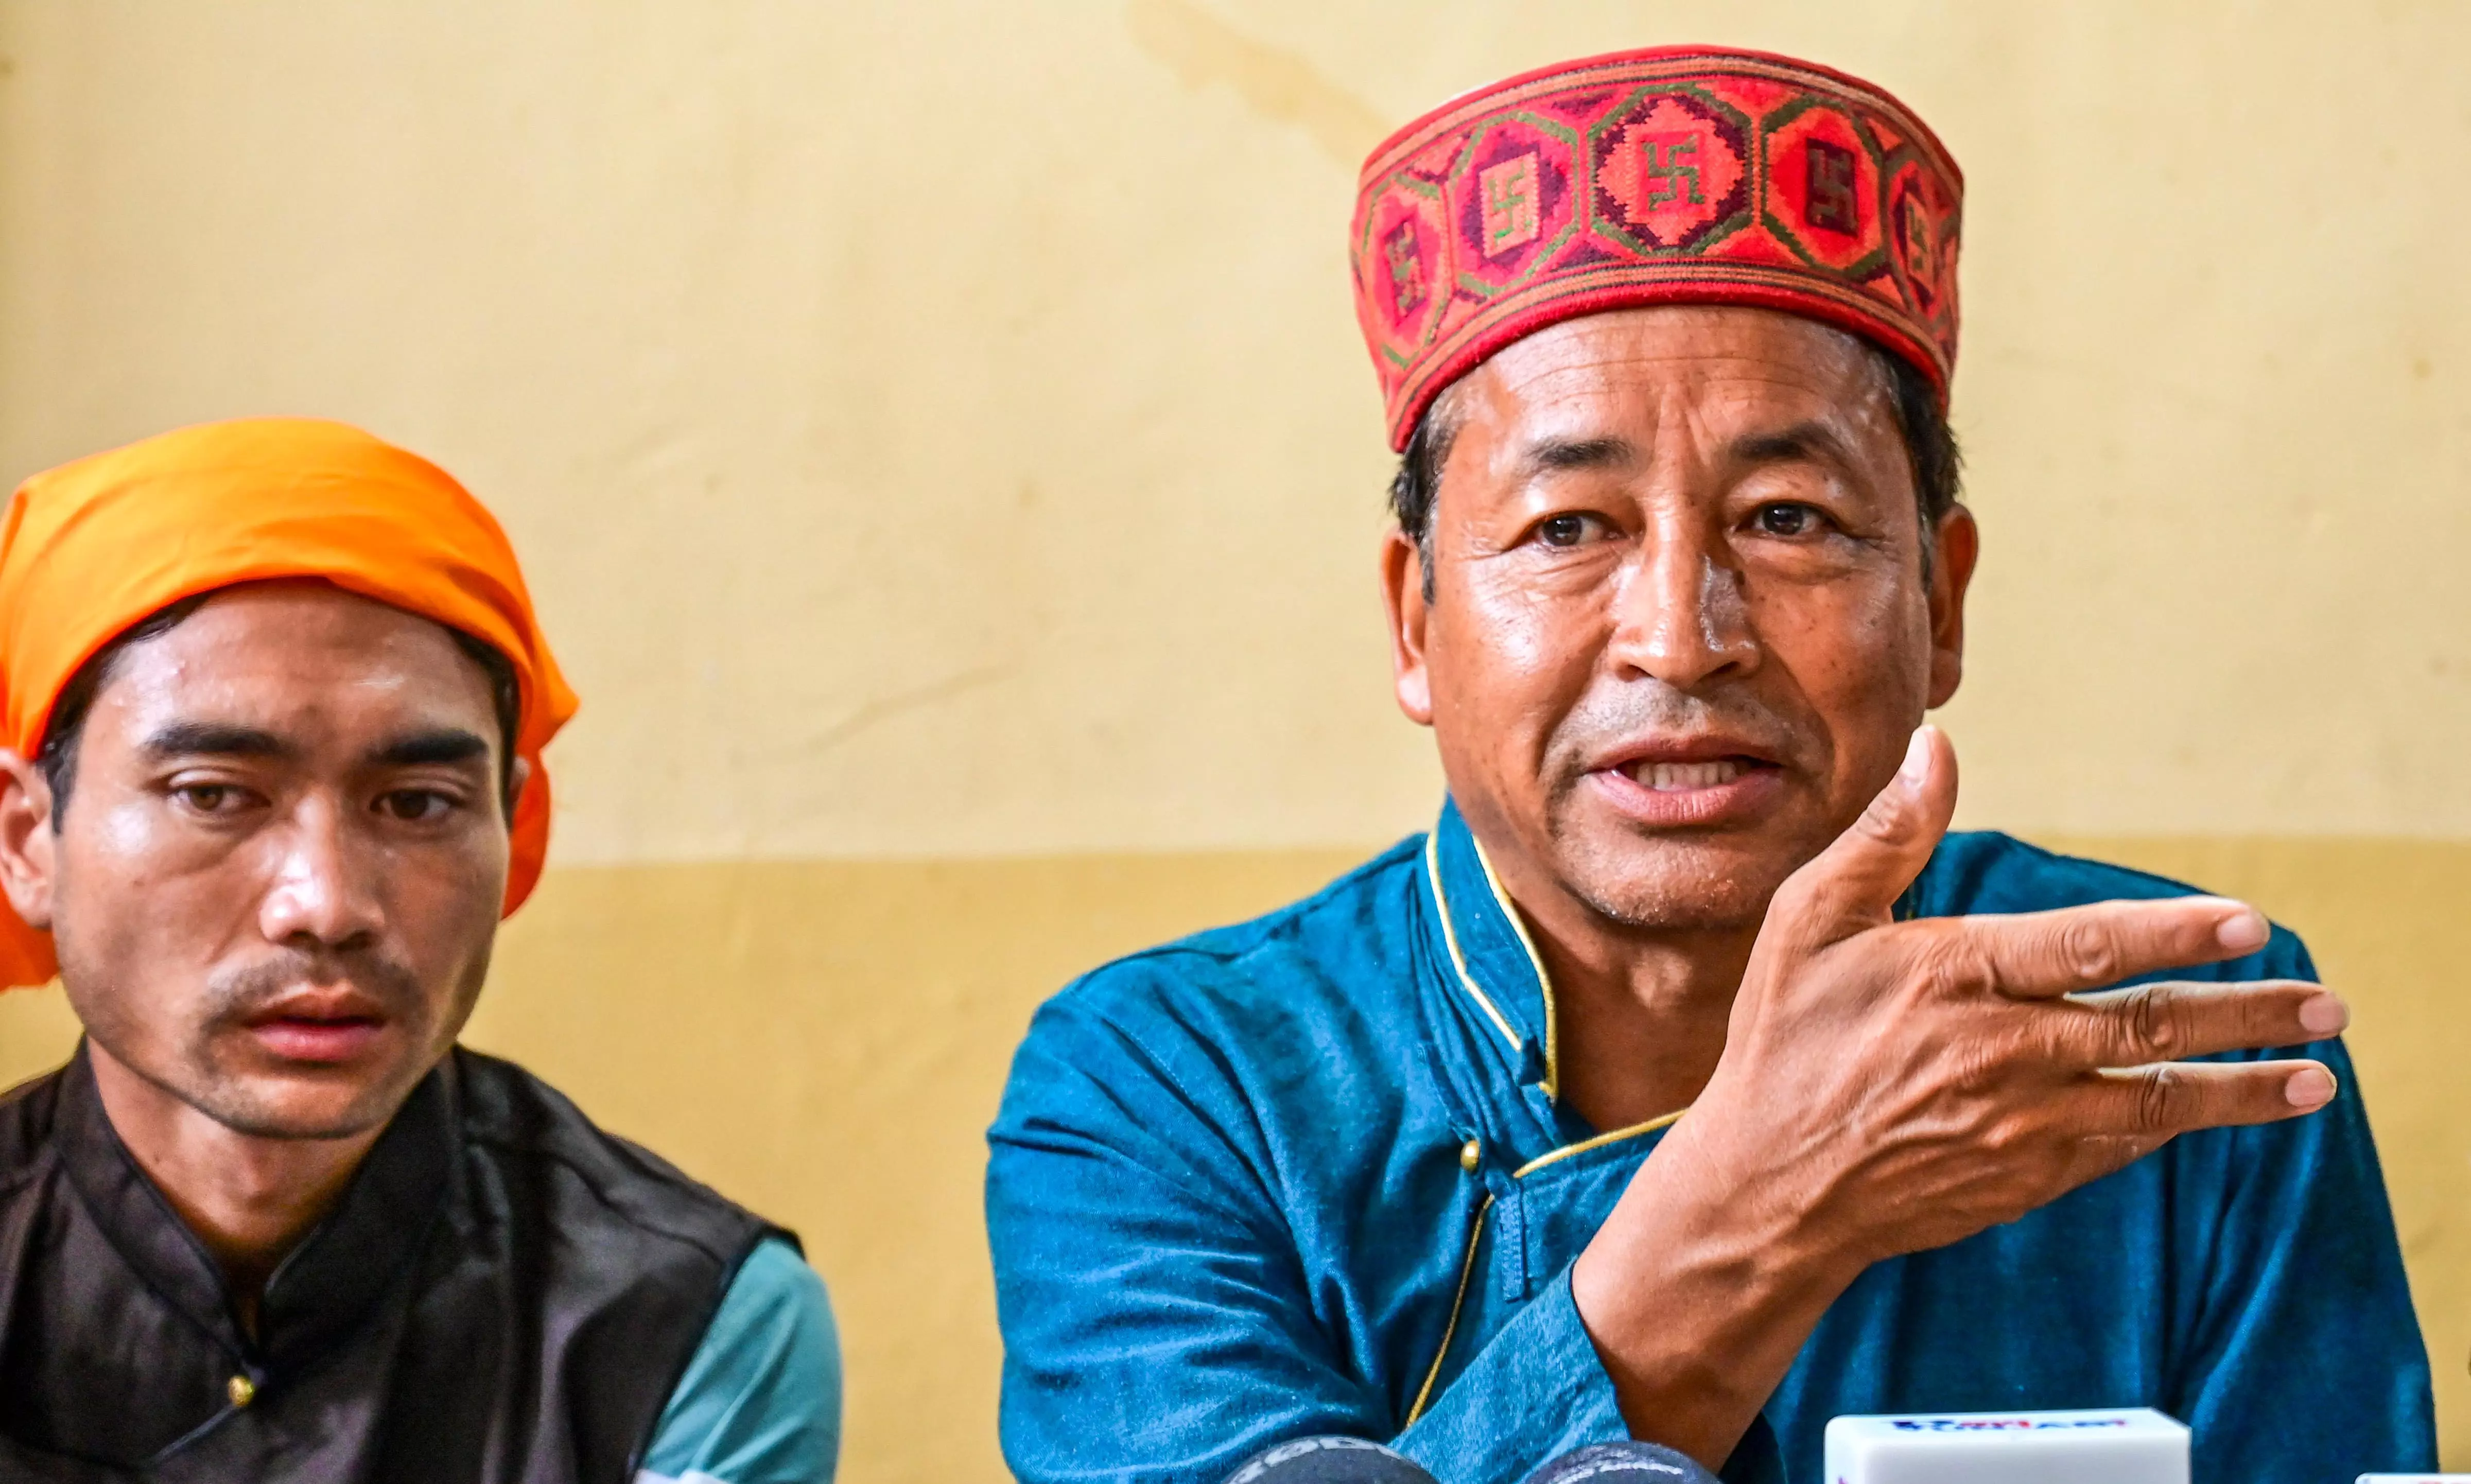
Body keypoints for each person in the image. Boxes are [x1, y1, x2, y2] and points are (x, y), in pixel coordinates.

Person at [985, 46, 2436, 1484]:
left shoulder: (2164, 1050)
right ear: (1415, 619)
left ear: (1941, 602)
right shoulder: (1165, 1093)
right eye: (1569, 528)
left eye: (1790, 518)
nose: (1681, 638)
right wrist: (1767, 1209)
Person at [0, 419, 840, 1482]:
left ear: (515, 824)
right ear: (27, 837)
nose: (327, 904)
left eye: (416, 803)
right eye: (214, 795)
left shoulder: (679, 1323)